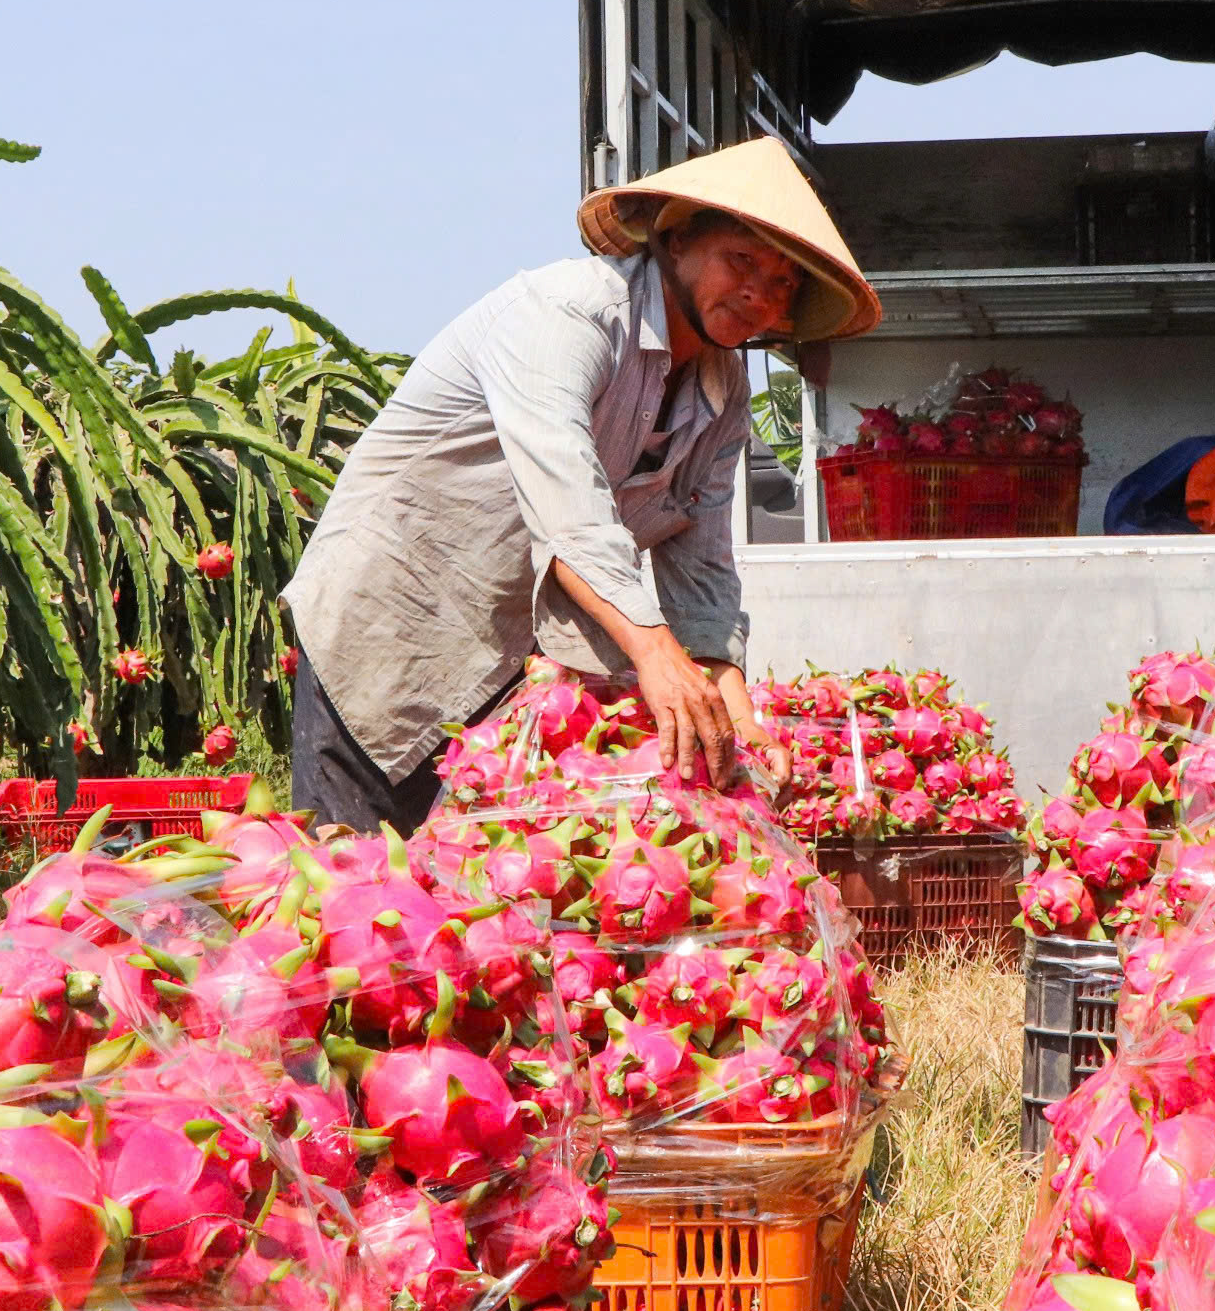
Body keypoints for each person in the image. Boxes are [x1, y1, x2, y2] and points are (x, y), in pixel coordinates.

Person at [281, 136, 882, 834]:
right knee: (351, 887)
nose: (757, 292)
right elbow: (572, 516)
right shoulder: (566, 314)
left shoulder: (724, 392)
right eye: (740, 260)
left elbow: (705, 574)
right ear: (677, 237)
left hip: (510, 668)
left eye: (783, 284)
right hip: (395, 628)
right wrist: (656, 655)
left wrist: (734, 709)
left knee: (463, 900)